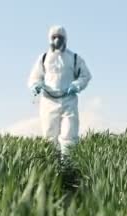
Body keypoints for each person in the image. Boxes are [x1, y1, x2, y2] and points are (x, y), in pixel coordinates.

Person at [27, 25, 92, 158]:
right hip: (48, 100)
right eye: (54, 37)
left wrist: (77, 85)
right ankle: (52, 165)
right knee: (49, 134)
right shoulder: (43, 58)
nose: (57, 40)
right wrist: (36, 85)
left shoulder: (74, 58)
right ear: (49, 39)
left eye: (60, 37)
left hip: (69, 99)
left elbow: (85, 75)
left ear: (65, 39)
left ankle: (68, 166)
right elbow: (35, 76)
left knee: (70, 133)